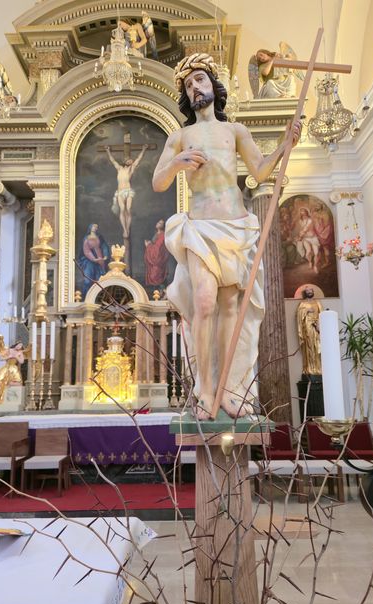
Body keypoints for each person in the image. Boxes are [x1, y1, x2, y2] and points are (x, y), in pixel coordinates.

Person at [152, 52, 301, 419]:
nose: (195, 87)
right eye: (189, 85)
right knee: (204, 303)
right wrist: (177, 163)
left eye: (200, 80)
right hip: (201, 227)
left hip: (235, 225)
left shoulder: (235, 131)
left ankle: (227, 389)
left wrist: (286, 145)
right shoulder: (180, 136)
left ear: (213, 85)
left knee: (230, 307)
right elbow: (157, 182)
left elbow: (259, 172)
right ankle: (204, 389)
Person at [106, 144, 148, 239]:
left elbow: (139, 159)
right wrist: (108, 151)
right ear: (125, 161)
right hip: (120, 192)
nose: (131, 161)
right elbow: (112, 160)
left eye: (131, 161)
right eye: (129, 160)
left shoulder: (131, 169)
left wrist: (143, 149)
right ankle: (124, 229)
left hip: (128, 191)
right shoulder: (119, 168)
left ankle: (128, 228)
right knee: (122, 210)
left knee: (128, 209)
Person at [77, 223, 110, 296]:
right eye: (94, 227)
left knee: (100, 280)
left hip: (100, 259)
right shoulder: (86, 238)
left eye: (96, 227)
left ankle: (99, 297)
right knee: (88, 280)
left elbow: (104, 246)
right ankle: (85, 297)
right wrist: (94, 259)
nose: (95, 228)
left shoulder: (99, 237)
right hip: (89, 260)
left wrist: (105, 255)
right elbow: (86, 250)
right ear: (90, 228)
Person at [296, 286, 323, 375]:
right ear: (305, 293)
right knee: (309, 346)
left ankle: (318, 368)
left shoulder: (317, 303)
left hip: (317, 327)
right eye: (307, 291)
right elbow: (299, 315)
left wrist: (319, 324)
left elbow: (322, 315)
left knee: (317, 347)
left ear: (313, 291)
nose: (309, 292)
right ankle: (310, 368)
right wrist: (306, 311)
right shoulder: (302, 304)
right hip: (307, 328)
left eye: (311, 290)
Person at [144, 218, 169, 289]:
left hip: (158, 263)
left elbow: (158, 249)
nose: (158, 223)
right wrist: (150, 244)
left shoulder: (162, 235)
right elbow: (155, 245)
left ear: (163, 226)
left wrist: (148, 245)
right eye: (158, 222)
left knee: (156, 278)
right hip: (155, 263)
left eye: (160, 223)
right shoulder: (157, 234)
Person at [295, 207, 321, 273]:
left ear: (307, 213)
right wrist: (300, 235)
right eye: (302, 214)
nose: (304, 216)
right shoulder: (300, 221)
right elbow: (301, 230)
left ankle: (315, 266)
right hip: (306, 238)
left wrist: (300, 236)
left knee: (316, 253)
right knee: (308, 252)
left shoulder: (310, 220)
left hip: (313, 237)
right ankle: (310, 262)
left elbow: (306, 229)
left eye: (304, 213)